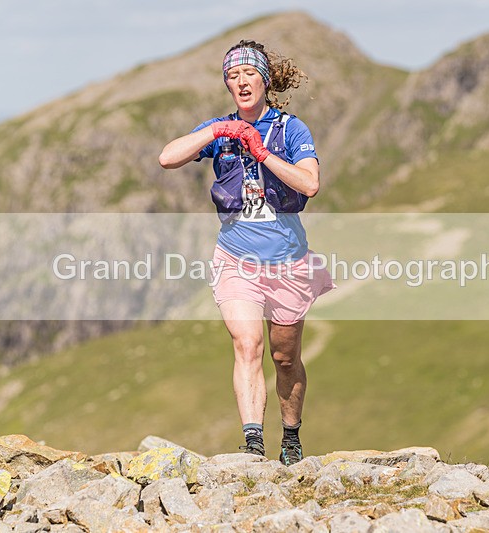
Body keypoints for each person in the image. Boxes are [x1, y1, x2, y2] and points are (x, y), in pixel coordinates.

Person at [158, 40, 334, 465]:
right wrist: (219, 132)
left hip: (288, 262)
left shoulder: (291, 130)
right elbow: (167, 158)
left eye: (248, 74)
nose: (240, 82)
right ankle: (253, 445)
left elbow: (308, 184)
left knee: (284, 356)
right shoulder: (219, 128)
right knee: (248, 344)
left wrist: (261, 152)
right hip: (236, 257)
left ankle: (290, 438)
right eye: (232, 76)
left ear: (265, 79)